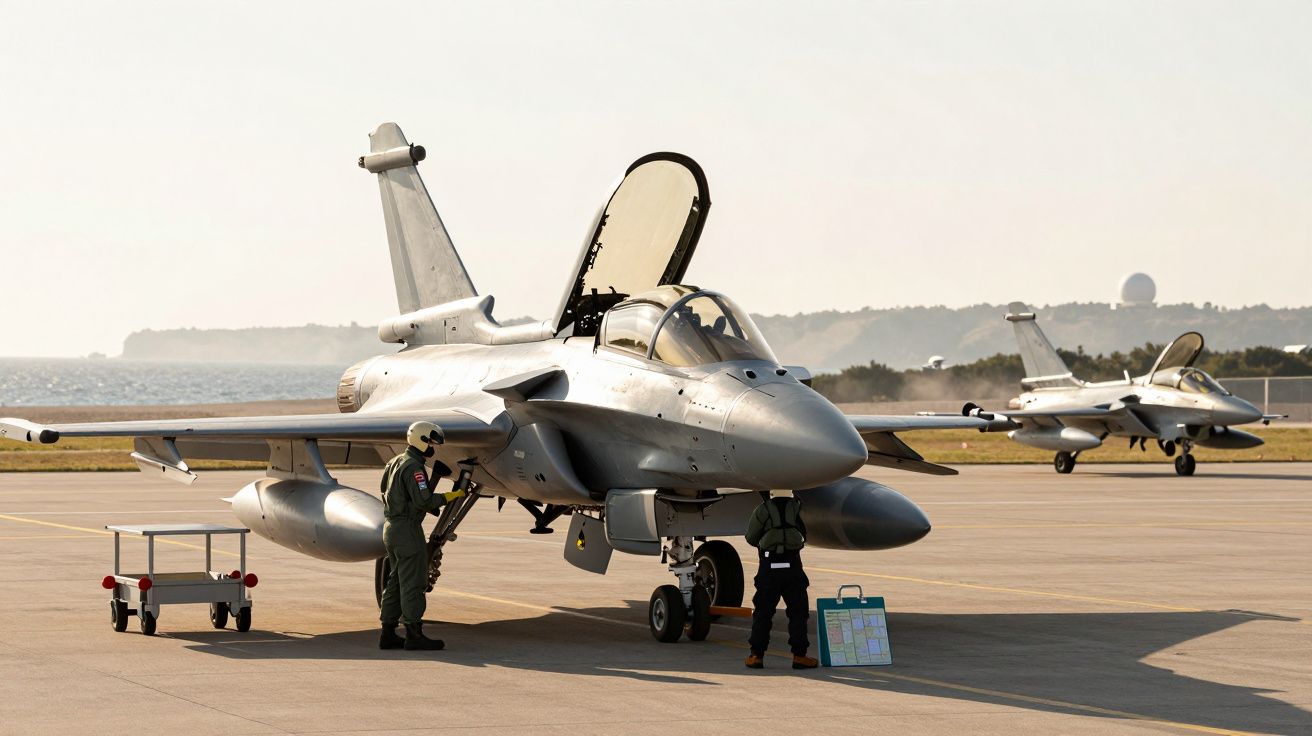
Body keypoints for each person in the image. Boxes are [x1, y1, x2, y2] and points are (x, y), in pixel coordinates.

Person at [378, 421, 465, 651]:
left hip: (391, 528)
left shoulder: (395, 461)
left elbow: (384, 489)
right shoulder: (415, 468)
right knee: (413, 583)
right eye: (432, 443)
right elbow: (424, 500)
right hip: (408, 531)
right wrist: (451, 495)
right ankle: (414, 634)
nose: (433, 448)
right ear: (422, 441)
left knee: (395, 581)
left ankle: (387, 633)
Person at [743, 489, 818, 669]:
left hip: (769, 567)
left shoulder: (763, 509)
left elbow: (751, 537)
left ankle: (756, 656)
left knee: (763, 613)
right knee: (798, 613)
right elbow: (805, 535)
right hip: (793, 565)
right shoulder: (797, 508)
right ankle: (799, 656)